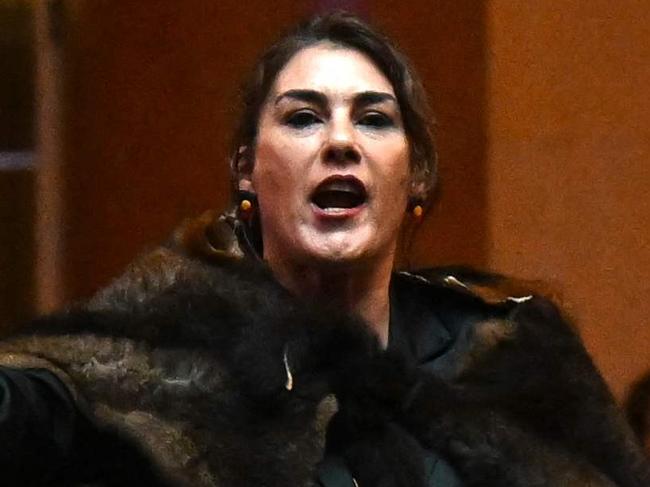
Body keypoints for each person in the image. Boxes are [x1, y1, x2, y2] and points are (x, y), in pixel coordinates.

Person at [1, 11, 649, 487]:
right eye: (303, 117)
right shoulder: (156, 360)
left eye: (373, 118)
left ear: (416, 175)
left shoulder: (516, 355)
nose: (340, 141)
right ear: (247, 169)